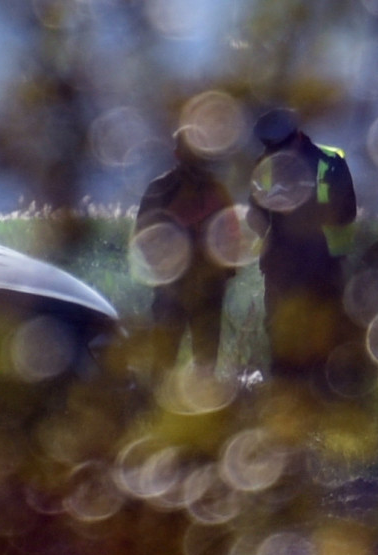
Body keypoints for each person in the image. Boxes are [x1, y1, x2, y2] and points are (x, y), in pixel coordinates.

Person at [249, 108, 359, 386]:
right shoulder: (264, 164)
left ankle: (324, 389)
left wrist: (303, 206)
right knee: (278, 328)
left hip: (322, 260)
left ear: (297, 136)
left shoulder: (329, 162)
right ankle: (282, 391)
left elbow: (347, 212)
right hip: (280, 263)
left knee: (323, 328)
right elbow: (255, 215)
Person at [133, 129, 237, 374]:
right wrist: (225, 273)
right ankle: (203, 406)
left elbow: (143, 234)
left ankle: (158, 404)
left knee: (165, 356)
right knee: (204, 357)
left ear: (176, 153)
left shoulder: (160, 188)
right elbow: (231, 237)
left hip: (174, 283)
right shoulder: (217, 189)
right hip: (207, 285)